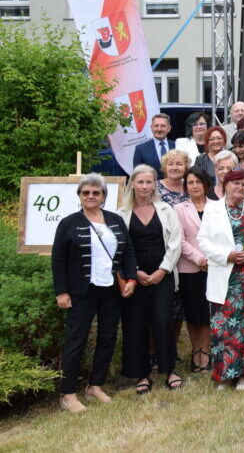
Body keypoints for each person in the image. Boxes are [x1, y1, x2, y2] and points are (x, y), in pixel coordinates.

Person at [51, 175, 137, 413]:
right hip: (81, 291)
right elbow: (58, 260)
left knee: (108, 337)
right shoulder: (68, 223)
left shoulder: (115, 220)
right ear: (79, 195)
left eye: (95, 193)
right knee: (75, 340)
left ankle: (95, 385)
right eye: (86, 192)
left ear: (103, 196)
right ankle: (68, 394)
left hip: (110, 289)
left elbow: (128, 250)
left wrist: (131, 278)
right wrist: (62, 292)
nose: (90, 196)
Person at [197, 169, 244, 389]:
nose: (239, 188)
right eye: (235, 184)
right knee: (226, 326)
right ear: (226, 185)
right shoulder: (212, 209)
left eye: (243, 184)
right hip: (226, 275)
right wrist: (226, 256)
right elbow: (203, 240)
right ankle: (226, 373)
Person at [119, 164, 183, 394]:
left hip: (162, 273)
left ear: (155, 184)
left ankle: (169, 370)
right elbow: (120, 247)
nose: (145, 186)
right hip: (134, 275)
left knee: (163, 321)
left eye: (149, 182)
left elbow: (176, 242)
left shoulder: (166, 209)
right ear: (132, 184)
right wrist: (134, 272)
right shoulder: (121, 213)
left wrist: (162, 271)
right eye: (140, 182)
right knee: (136, 324)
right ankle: (142, 374)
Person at [174, 167, 213, 373]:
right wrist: (199, 259)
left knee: (206, 314)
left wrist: (210, 259)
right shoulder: (179, 209)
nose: (195, 186)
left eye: (198, 181)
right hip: (189, 268)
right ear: (186, 186)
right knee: (192, 314)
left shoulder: (216, 206)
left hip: (213, 267)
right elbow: (179, 241)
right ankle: (195, 350)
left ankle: (205, 352)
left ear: (206, 184)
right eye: (190, 182)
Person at [133, 113, 176, 178]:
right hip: (152, 187)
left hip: (174, 186)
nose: (159, 129)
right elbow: (137, 175)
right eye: (156, 126)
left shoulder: (177, 145)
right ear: (151, 128)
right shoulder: (141, 149)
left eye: (163, 126)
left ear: (169, 128)